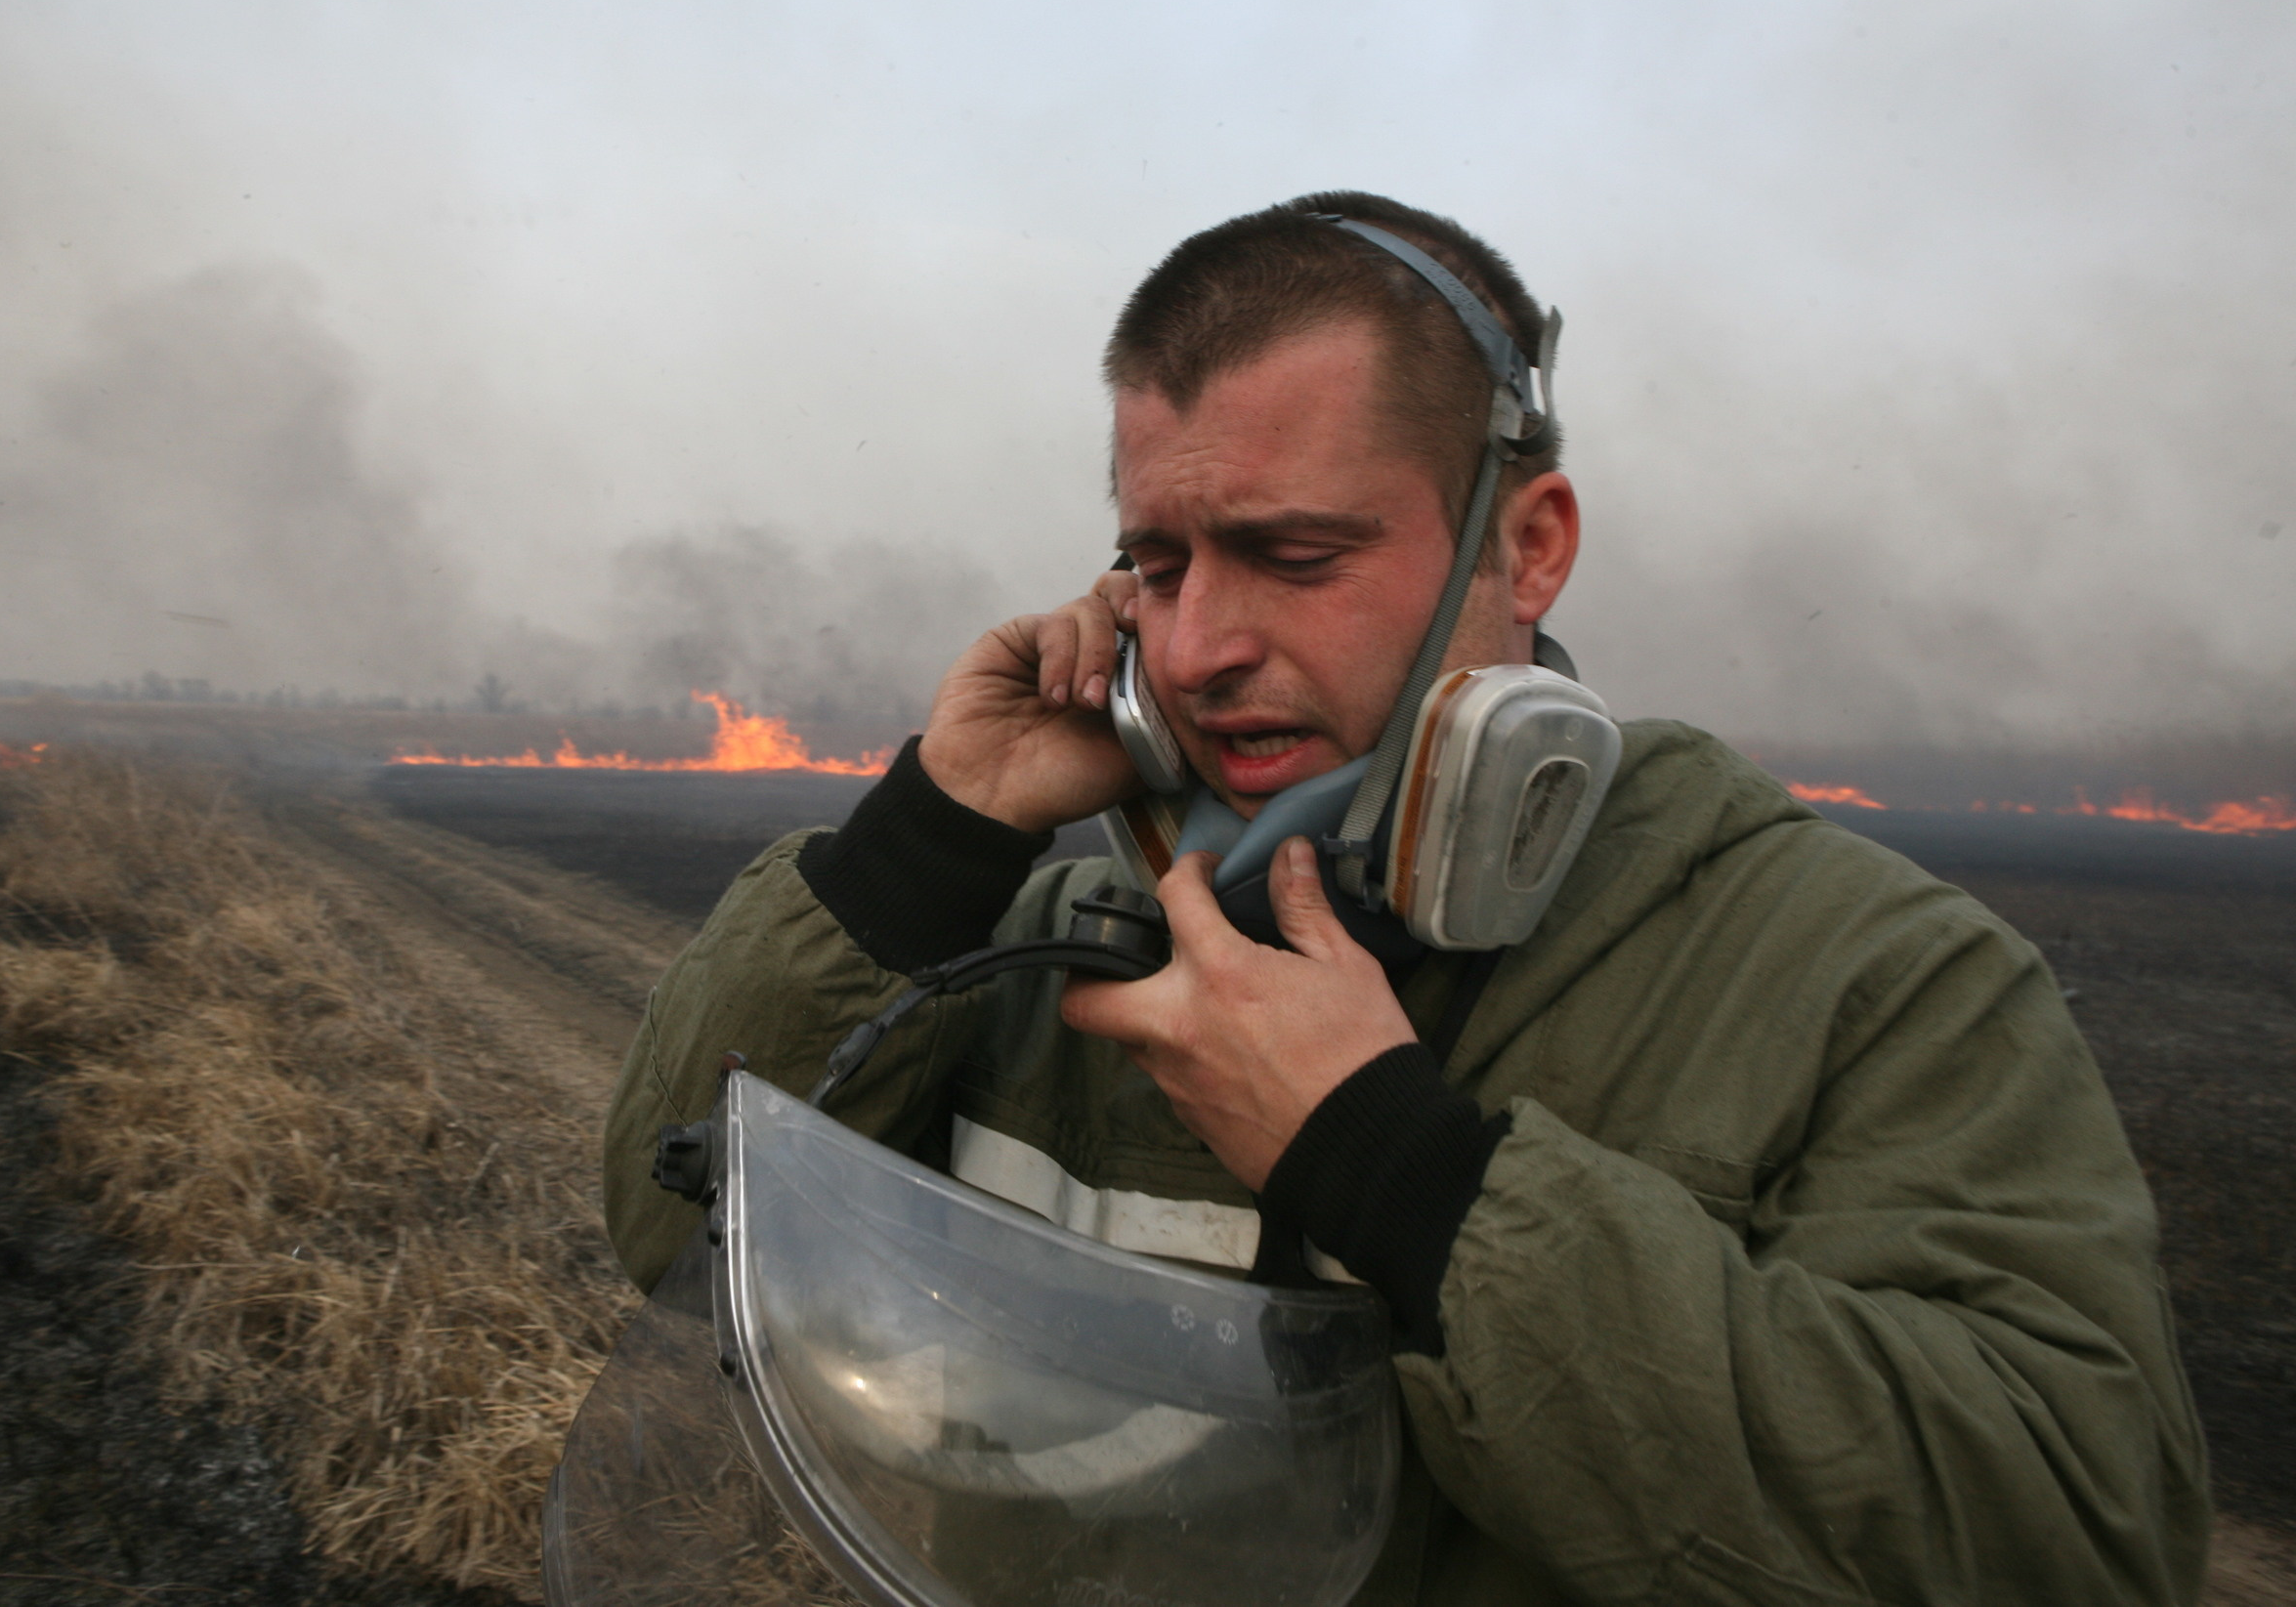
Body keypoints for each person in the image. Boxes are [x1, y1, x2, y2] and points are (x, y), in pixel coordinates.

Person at [601, 191, 2209, 1604]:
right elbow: (675, 1229)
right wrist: (931, 842)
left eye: (1294, 555)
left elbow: (2072, 1538)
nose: (1198, 645)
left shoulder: (1868, 975)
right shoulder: (1029, 924)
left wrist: (1403, 1173)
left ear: (1529, 547)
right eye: (1157, 563)